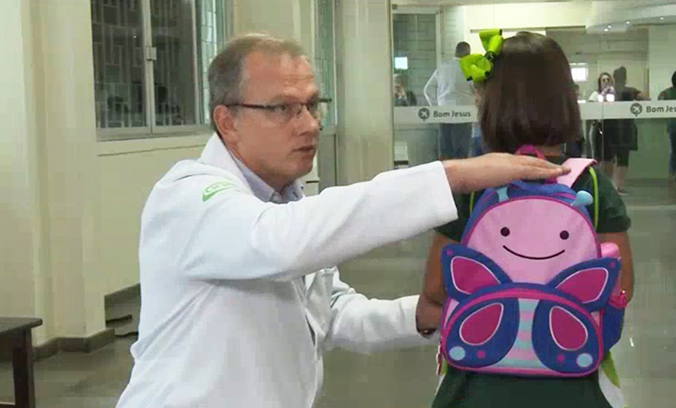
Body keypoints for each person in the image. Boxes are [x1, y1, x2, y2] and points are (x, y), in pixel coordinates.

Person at [113, 33, 568, 408]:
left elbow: (332, 314)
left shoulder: (286, 201)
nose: (309, 124)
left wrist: (430, 315)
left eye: (313, 105)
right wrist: (451, 176)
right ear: (227, 122)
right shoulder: (188, 197)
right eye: (283, 108)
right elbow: (278, 244)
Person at [422, 31, 634, 408]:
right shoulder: (591, 183)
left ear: (490, 102)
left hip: (476, 378)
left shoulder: (472, 184)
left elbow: (436, 287)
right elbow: (621, 288)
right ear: (564, 100)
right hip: (573, 374)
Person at [424, 42, 476, 159]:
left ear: (455, 52)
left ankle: (444, 170)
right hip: (464, 114)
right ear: (468, 54)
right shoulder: (469, 69)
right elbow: (476, 89)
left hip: (444, 112)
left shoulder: (443, 68)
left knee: (445, 150)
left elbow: (427, 90)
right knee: (461, 152)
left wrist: (436, 107)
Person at [606, 66, 646, 195]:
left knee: (611, 158)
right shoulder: (630, 91)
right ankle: (619, 186)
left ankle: (612, 186)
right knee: (623, 159)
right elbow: (645, 98)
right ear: (625, 78)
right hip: (625, 129)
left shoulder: (609, 92)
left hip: (611, 128)